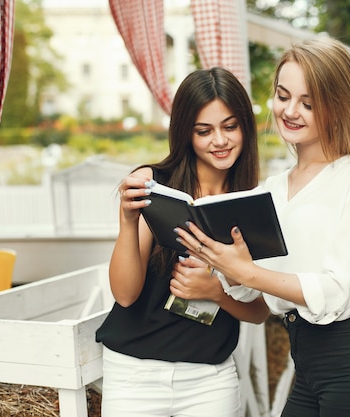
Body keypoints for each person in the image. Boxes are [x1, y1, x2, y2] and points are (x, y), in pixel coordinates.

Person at [173, 38, 350, 417]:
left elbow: (338, 294)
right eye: (283, 96)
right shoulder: (272, 189)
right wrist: (225, 269)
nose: (291, 111)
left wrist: (245, 271)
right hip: (306, 365)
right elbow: (258, 294)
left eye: (309, 103)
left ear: (338, 107)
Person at [95, 67, 269, 417]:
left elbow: (259, 312)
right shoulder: (154, 185)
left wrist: (215, 292)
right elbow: (125, 295)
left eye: (230, 127)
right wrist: (128, 222)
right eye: (204, 131)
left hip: (210, 378)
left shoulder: (253, 203)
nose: (219, 141)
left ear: (245, 127)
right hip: (134, 374)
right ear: (185, 133)